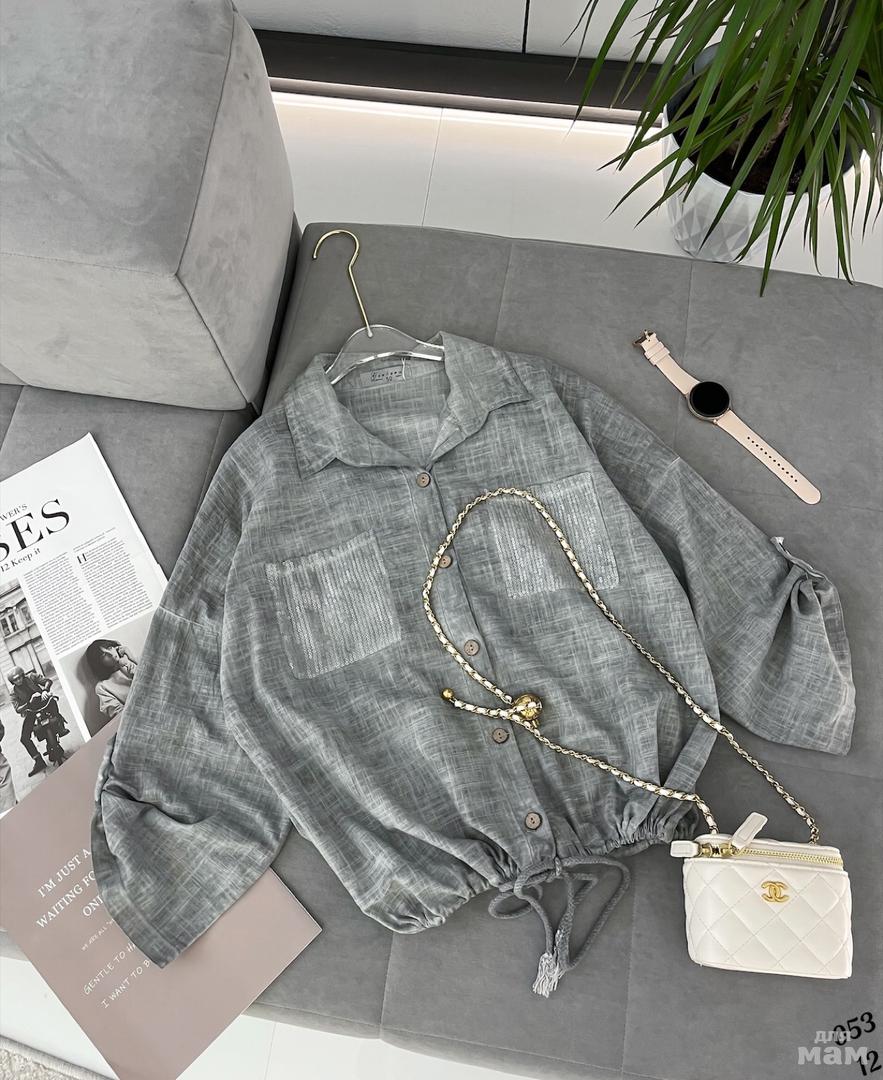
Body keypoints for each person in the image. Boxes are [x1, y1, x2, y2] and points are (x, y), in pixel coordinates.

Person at [7, 666, 67, 774]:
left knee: (53, 702)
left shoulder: (31, 676)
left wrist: (45, 691)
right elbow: (17, 709)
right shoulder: (13, 692)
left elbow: (47, 681)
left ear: (23, 675)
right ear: (12, 682)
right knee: (24, 738)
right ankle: (38, 761)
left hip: (45, 703)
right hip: (31, 711)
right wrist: (28, 703)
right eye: (15, 680)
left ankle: (61, 727)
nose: (18, 680)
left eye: (19, 677)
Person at [85, 639, 137, 722]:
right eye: (104, 655)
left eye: (109, 648)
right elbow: (120, 715)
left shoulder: (132, 663)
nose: (111, 654)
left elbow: (153, 679)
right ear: (99, 663)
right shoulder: (102, 687)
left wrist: (130, 658)